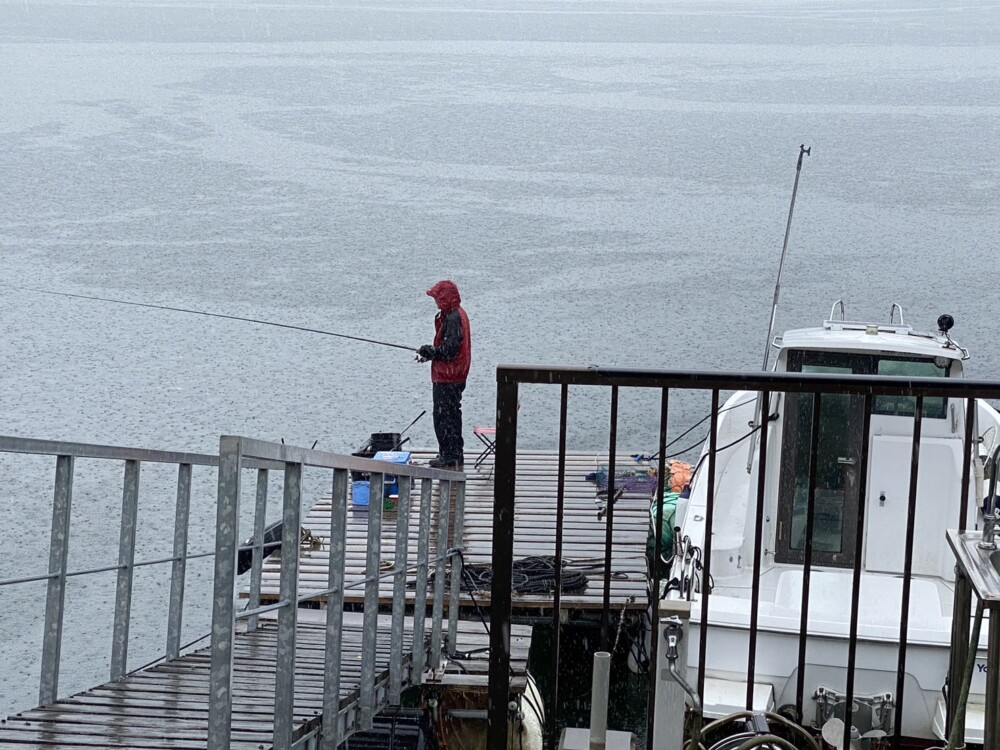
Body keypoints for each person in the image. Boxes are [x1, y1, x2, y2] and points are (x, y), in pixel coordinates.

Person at [418, 280, 472, 469]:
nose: (436, 303)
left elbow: (449, 350)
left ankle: (449, 455)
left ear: (445, 299)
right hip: (456, 374)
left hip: (449, 377)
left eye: (438, 299)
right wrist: (430, 354)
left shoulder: (453, 318)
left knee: (444, 416)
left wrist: (430, 351)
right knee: (452, 414)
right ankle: (454, 453)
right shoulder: (457, 314)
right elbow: (449, 348)